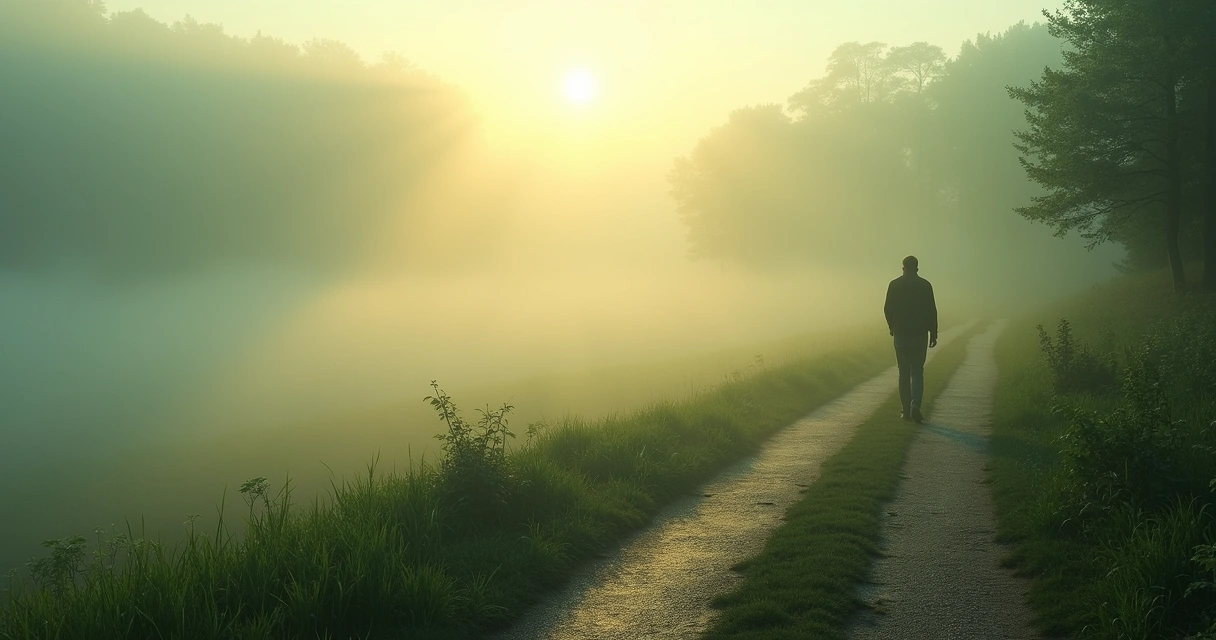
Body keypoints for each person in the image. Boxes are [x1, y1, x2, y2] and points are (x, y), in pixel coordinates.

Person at [883, 255, 938, 423]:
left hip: (901, 334)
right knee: (917, 371)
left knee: (903, 372)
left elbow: (887, 309)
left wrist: (892, 327)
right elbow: (931, 310)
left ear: (903, 268)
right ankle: (915, 405)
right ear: (917, 268)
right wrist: (933, 332)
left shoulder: (894, 285)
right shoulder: (925, 285)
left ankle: (905, 411)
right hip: (920, 335)